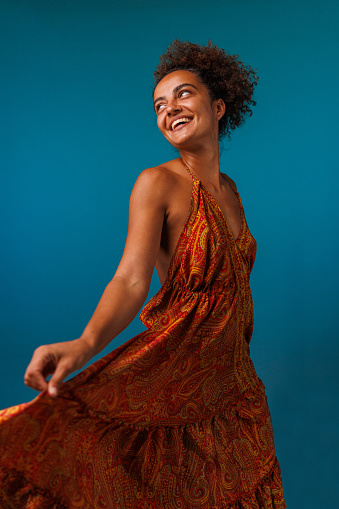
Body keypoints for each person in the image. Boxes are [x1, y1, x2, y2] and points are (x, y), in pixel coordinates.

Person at [0, 40, 286, 508]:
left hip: (233, 388)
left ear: (218, 106)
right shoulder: (156, 183)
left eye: (183, 95)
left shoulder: (231, 191)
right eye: (159, 104)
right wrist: (85, 343)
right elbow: (131, 280)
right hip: (171, 375)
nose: (170, 108)